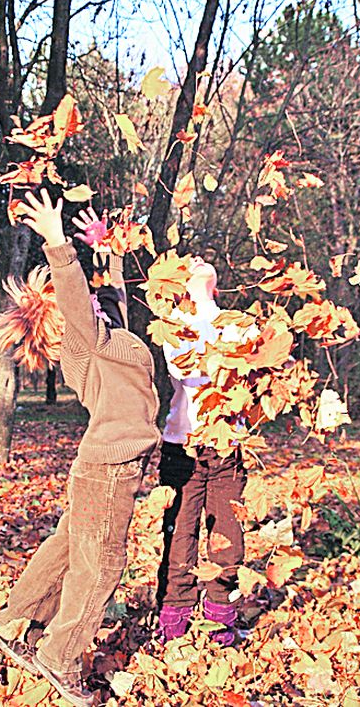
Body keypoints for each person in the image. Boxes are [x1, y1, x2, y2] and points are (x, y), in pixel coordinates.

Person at [0, 190, 161, 706]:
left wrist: (104, 250)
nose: (88, 297)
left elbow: (115, 301)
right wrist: (60, 245)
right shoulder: (83, 349)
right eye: (77, 301)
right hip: (110, 470)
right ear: (65, 324)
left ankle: (16, 621)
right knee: (101, 565)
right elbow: (74, 295)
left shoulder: (109, 336)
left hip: (101, 469)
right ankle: (59, 656)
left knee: (68, 548)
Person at [156, 256, 247, 645]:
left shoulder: (240, 322)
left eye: (204, 261)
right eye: (188, 263)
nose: (197, 260)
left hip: (227, 447)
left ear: (217, 282)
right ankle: (174, 619)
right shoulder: (171, 324)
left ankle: (221, 621)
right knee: (180, 534)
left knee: (227, 535)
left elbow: (258, 363)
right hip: (184, 446)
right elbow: (184, 369)